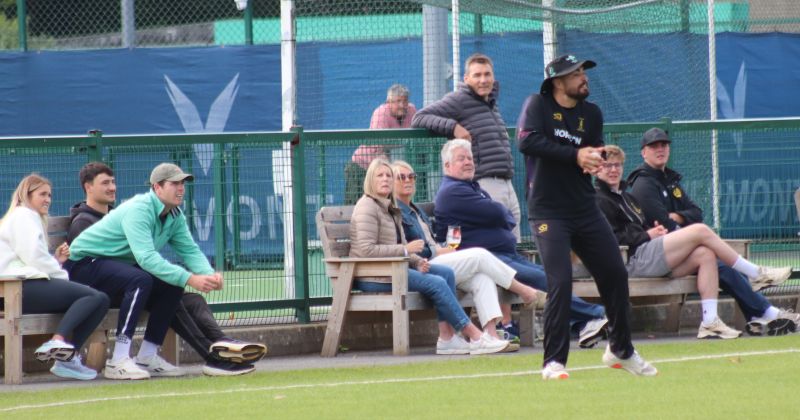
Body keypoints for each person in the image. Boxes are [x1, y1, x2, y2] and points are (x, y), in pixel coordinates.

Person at [517, 54, 656, 379]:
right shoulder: (537, 105)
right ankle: (554, 362)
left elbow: (590, 151)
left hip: (584, 208)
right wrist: (575, 154)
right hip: (548, 211)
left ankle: (621, 349)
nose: (584, 77)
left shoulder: (591, 113)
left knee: (615, 274)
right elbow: (527, 142)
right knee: (560, 281)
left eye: (584, 71)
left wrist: (595, 157)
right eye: (576, 73)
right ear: (557, 81)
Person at [67, 162, 266, 377]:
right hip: (83, 266)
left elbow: (189, 250)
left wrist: (209, 275)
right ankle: (118, 360)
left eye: (183, 184)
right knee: (141, 280)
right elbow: (146, 258)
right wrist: (190, 278)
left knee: (171, 285)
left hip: (115, 271)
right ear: (157, 188)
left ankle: (147, 356)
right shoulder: (140, 209)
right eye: (174, 184)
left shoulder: (175, 215)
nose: (181, 189)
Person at [433, 139, 610, 352]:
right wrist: (499, 215)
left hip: (505, 254)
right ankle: (596, 314)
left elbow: (504, 216)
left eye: (470, 158)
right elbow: (498, 213)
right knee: (543, 279)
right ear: (447, 166)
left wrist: (499, 215)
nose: (468, 162)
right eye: (461, 159)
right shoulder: (452, 191)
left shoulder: (472, 187)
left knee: (550, 275)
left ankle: (583, 324)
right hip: (489, 259)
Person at [627, 128, 797, 335]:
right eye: (654, 146)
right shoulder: (643, 183)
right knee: (702, 234)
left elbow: (696, 212)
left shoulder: (669, 180)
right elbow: (664, 225)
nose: (660, 149)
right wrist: (687, 230)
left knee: (714, 260)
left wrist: (678, 217)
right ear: (643, 152)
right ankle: (756, 278)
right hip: (651, 257)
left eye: (664, 145)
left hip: (674, 254)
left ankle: (750, 315)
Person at [350, 158, 510, 355]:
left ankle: (447, 338)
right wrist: (405, 251)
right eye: (380, 176)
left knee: (446, 273)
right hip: (373, 275)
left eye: (388, 176)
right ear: (370, 180)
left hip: (395, 268)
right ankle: (476, 337)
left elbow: (403, 247)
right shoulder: (367, 206)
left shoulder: (391, 207)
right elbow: (366, 250)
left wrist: (418, 261)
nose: (385, 179)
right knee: (437, 283)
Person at [595, 146, 749, 338]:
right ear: (596, 169)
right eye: (607, 166)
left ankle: (710, 322)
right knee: (700, 230)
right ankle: (753, 272)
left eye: (617, 165)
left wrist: (655, 232)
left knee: (705, 254)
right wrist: (647, 235)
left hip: (647, 256)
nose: (613, 170)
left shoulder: (628, 198)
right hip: (628, 262)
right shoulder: (598, 200)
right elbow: (610, 239)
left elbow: (642, 228)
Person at [392, 160, 540, 348]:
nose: (408, 180)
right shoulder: (396, 211)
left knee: (482, 277)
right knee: (479, 255)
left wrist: (443, 246)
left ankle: (491, 336)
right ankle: (525, 291)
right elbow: (411, 248)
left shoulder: (416, 210)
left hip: (440, 260)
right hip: (424, 265)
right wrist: (437, 250)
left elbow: (433, 239)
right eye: (401, 177)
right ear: (392, 183)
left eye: (411, 176)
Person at [0, 174, 110, 380]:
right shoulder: (24, 215)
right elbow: (34, 256)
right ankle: (58, 343)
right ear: (26, 195)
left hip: (23, 286)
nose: (47, 200)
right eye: (42, 194)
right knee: (93, 297)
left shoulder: (23, 216)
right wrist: (61, 274)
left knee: (100, 299)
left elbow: (29, 258)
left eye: (49, 195)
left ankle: (66, 357)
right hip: (17, 289)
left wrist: (56, 262)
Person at [413, 53, 522, 242]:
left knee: (513, 242)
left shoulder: (491, 103)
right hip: (484, 182)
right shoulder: (459, 99)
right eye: (477, 75)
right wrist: (453, 127)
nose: (483, 80)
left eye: (487, 74)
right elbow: (419, 118)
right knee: (498, 242)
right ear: (466, 78)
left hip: (506, 182)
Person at [345, 84, 417, 205]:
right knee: (355, 204)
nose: (402, 105)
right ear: (389, 102)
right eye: (398, 101)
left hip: (383, 170)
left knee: (383, 204)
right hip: (361, 166)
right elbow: (378, 146)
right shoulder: (381, 113)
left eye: (405, 101)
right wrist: (391, 171)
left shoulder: (412, 110)